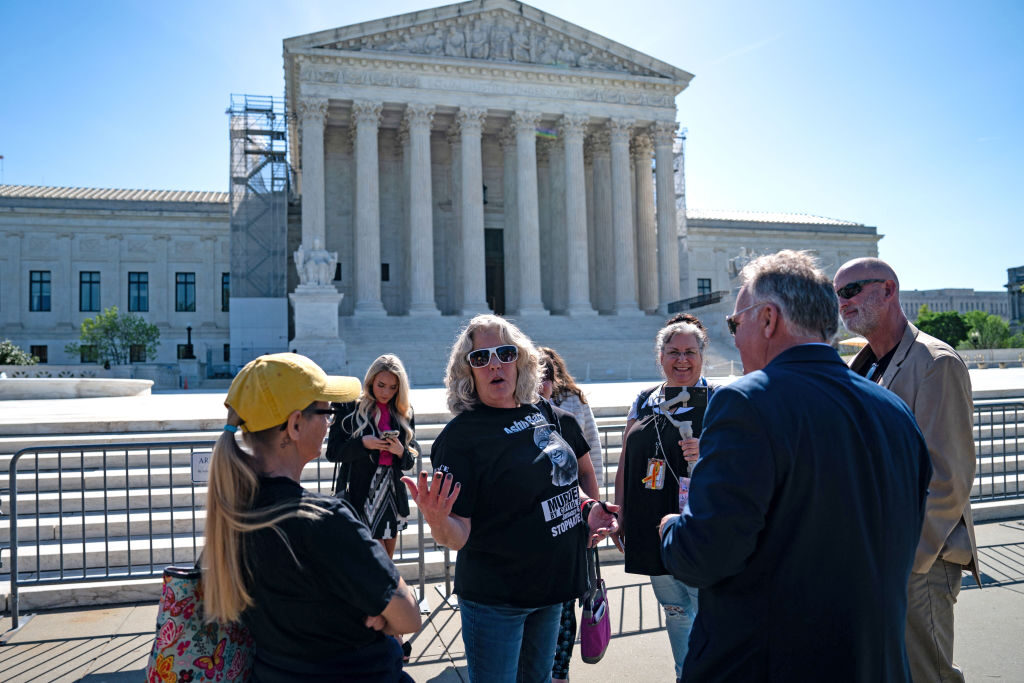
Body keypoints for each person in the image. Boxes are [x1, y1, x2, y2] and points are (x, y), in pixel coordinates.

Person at [659, 250, 932, 682]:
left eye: (736, 323)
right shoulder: (895, 410)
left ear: (768, 319)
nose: (734, 337)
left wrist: (672, 529)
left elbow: (704, 555)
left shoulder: (745, 402)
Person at [403, 314, 618, 683]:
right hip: (498, 600)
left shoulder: (544, 412)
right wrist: (438, 520)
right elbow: (457, 535)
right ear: (467, 372)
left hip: (551, 590)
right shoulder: (460, 439)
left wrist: (589, 507)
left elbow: (565, 483)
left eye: (504, 353)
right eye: (480, 358)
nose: (495, 365)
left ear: (521, 359)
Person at [202, 352, 421, 682]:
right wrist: (380, 611)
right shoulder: (325, 520)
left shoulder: (233, 511)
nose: (329, 423)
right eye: (325, 413)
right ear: (294, 424)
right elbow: (409, 618)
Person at [835, 257, 981, 682]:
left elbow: (949, 478)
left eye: (851, 290)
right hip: (874, 557)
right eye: (837, 295)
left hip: (917, 562)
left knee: (926, 675)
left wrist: (907, 562)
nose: (842, 303)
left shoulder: (935, 362)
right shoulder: (863, 365)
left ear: (888, 289)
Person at [613, 316, 715, 681]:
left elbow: (745, 461)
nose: (682, 360)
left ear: (703, 355)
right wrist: (621, 513)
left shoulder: (721, 401)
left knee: (707, 609)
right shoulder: (644, 400)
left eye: (690, 351)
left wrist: (707, 453)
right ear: (660, 357)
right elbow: (627, 458)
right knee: (674, 609)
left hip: (704, 525)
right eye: (673, 352)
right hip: (652, 521)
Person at [537, 346, 600, 683]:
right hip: (532, 542)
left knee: (563, 614)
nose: (540, 383)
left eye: (545, 376)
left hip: (568, 527)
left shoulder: (567, 414)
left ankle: (559, 674)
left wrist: (594, 506)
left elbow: (590, 465)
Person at [325, 354, 418, 560]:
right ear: (371, 381)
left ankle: (384, 592)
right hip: (360, 490)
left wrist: (400, 451)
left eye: (393, 387)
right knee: (378, 561)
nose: (386, 392)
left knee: (386, 564)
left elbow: (409, 460)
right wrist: (363, 444)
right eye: (381, 385)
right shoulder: (350, 407)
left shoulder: (403, 412)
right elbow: (333, 452)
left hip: (391, 492)